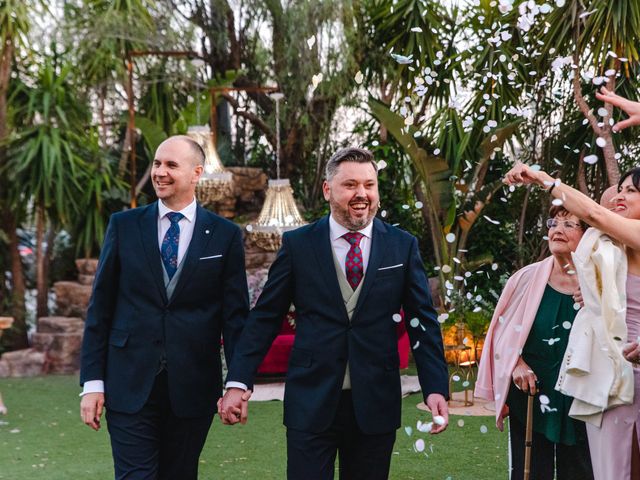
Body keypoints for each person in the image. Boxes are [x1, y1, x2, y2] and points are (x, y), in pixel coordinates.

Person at [219, 147, 449, 480]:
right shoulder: (298, 245)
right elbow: (265, 317)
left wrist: (435, 388)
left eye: (369, 185)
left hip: (376, 403)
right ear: (328, 190)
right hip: (310, 402)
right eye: (351, 185)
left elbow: (422, 323)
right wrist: (238, 381)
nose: (362, 194)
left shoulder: (402, 246)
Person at [79, 135, 249, 480]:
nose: (160, 172)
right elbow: (100, 310)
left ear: (197, 172)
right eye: (157, 163)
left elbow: (235, 318)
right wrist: (92, 383)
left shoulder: (225, 235)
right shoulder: (124, 226)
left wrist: (238, 382)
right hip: (128, 382)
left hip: (193, 386)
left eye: (171, 165)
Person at [503, 163, 640, 479]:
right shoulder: (609, 249)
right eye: (620, 190)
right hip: (610, 378)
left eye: (630, 191)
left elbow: (595, 214)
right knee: (611, 469)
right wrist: (593, 290)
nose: (620, 196)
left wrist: (543, 179)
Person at [475, 206, 594, 480]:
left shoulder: (599, 281)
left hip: (582, 396)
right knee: (529, 472)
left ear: (587, 236)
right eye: (553, 223)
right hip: (530, 393)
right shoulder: (524, 279)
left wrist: (599, 303)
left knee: (581, 471)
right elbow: (500, 333)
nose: (557, 229)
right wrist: (515, 363)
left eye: (568, 224)